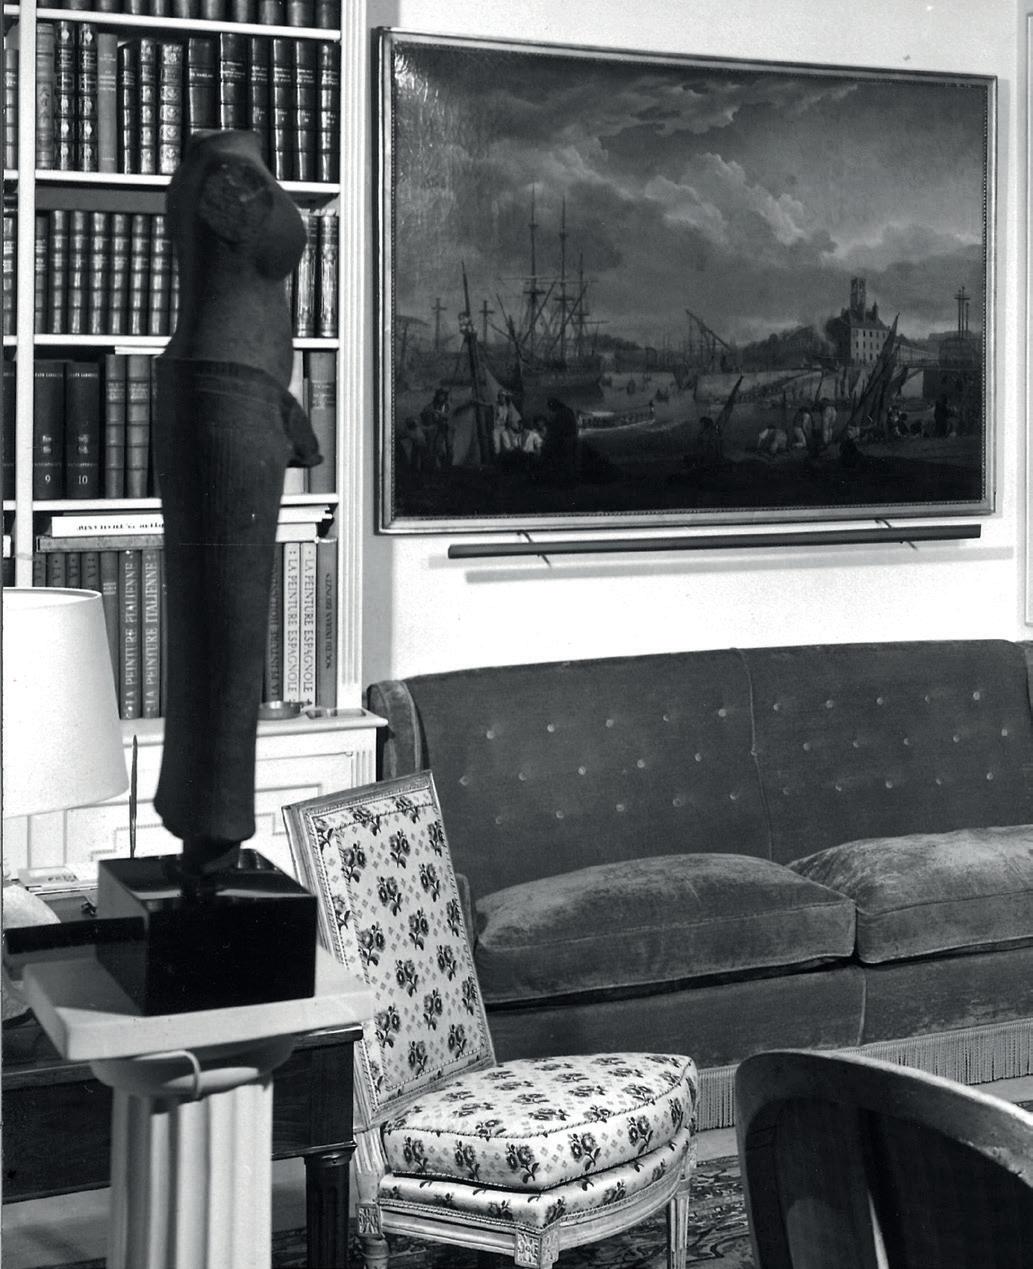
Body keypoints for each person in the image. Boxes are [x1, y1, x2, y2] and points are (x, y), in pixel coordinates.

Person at [154, 129, 322, 876]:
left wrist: (278, 405)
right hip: (224, 400)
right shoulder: (225, 168)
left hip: (237, 396)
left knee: (229, 628)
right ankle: (212, 828)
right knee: (223, 629)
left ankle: (209, 821)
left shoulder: (224, 165)